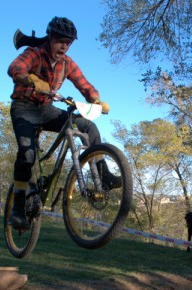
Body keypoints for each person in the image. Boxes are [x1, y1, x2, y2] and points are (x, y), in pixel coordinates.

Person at [7, 16, 120, 230]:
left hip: (46, 110)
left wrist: (95, 100)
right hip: (24, 107)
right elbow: (15, 67)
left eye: (68, 43)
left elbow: (83, 83)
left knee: (88, 125)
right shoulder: (34, 53)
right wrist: (31, 79)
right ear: (50, 39)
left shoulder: (67, 63)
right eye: (60, 41)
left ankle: (103, 175)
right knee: (27, 154)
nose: (64, 46)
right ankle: (18, 208)